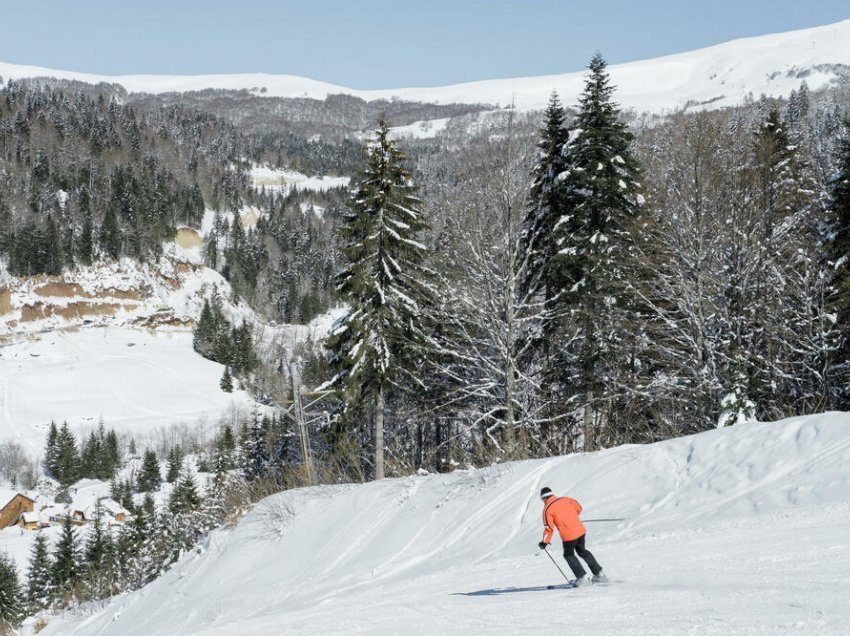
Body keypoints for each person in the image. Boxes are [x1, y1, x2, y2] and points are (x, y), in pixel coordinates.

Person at [538, 486, 606, 586]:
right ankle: (599, 574)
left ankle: (582, 578)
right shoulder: (566, 499)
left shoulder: (547, 509)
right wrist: (572, 518)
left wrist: (544, 542)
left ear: (544, 498)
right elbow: (579, 508)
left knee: (568, 554)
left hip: (569, 535)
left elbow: (549, 528)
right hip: (580, 530)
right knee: (582, 551)